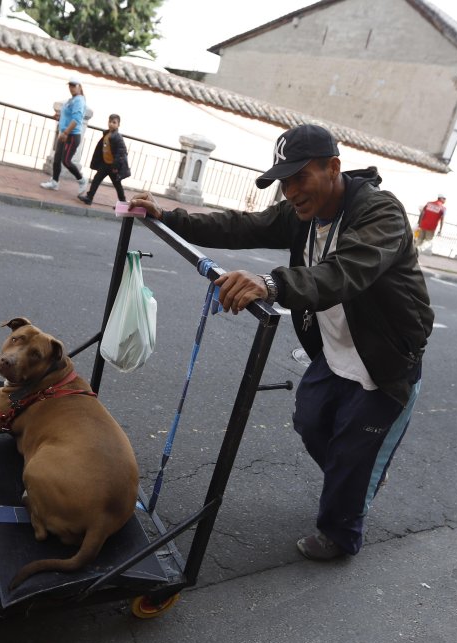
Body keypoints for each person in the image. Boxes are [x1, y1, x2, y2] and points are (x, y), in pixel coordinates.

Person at [130, 124, 433, 561]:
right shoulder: (302, 215)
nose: (291, 192)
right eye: (284, 182)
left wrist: (270, 284)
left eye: (300, 178)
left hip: (385, 358)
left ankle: (341, 534)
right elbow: (241, 227)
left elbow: (344, 272)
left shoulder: (379, 213)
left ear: (334, 168)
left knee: (351, 452)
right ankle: (356, 477)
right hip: (334, 350)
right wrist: (171, 218)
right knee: (311, 422)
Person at [40, 78, 88, 193]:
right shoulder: (71, 100)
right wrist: (59, 116)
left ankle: (82, 180)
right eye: (70, 86)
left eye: (74, 85)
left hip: (71, 135)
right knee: (57, 159)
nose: (71, 88)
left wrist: (66, 132)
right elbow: (68, 116)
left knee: (66, 161)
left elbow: (76, 119)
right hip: (64, 134)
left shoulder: (79, 101)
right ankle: (55, 182)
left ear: (80, 87)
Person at [78, 114, 131, 206]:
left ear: (118, 125)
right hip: (105, 164)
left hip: (112, 166)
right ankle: (89, 198)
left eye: (114, 122)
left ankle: (123, 203)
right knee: (96, 180)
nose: (111, 124)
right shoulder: (107, 134)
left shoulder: (118, 137)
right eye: (110, 122)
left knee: (117, 185)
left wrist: (116, 166)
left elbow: (121, 153)